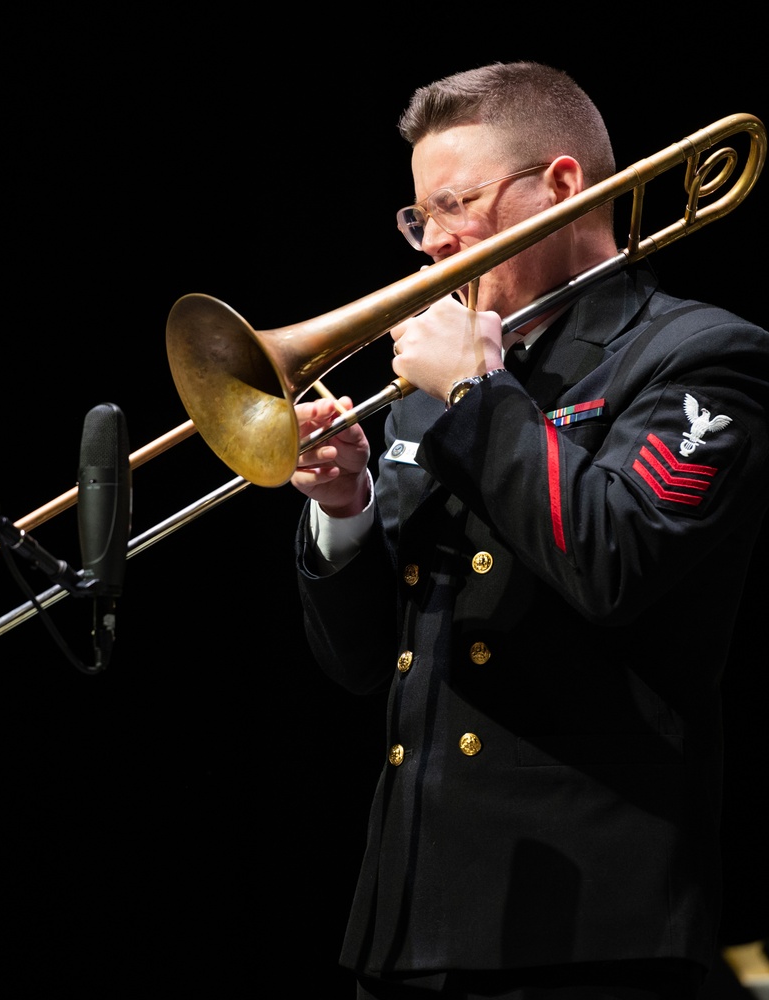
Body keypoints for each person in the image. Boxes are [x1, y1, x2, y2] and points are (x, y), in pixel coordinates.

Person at [289, 61, 769, 1000]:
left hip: (588, 923)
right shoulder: (434, 405)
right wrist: (342, 513)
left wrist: (475, 392)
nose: (434, 244)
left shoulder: (700, 354)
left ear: (561, 185)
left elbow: (616, 561)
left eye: (458, 203)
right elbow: (359, 666)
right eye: (418, 216)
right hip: (406, 916)